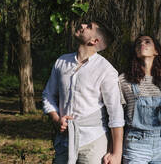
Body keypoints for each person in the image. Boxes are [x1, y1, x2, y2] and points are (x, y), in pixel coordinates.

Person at [42, 21, 125, 164]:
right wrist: (56, 119)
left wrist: (116, 153)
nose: (82, 25)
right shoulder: (62, 62)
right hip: (64, 141)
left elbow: (115, 113)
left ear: (95, 41)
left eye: (89, 27)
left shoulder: (106, 70)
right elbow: (48, 95)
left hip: (93, 142)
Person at [119, 35, 161, 164]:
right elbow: (116, 118)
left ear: (156, 51)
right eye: (138, 43)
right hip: (135, 144)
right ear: (135, 52)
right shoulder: (124, 80)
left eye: (147, 42)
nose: (142, 44)